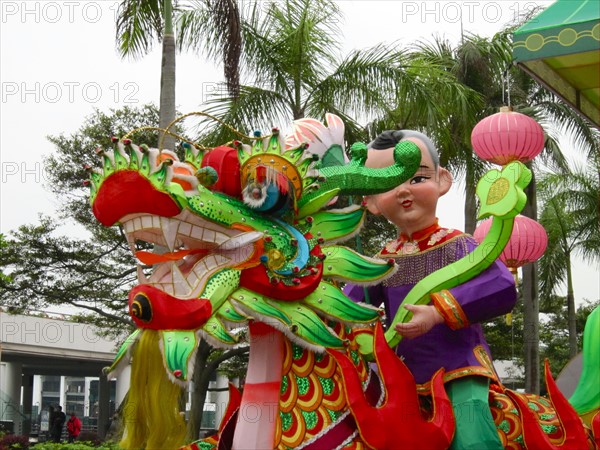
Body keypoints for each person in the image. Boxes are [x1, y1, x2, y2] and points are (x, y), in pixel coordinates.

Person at [345, 130, 517, 450]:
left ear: (442, 180)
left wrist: (438, 312)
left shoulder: (459, 245)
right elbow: (345, 307)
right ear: (370, 202)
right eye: (388, 182)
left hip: (458, 371)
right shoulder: (382, 262)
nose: (403, 189)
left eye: (416, 177)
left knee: (471, 437)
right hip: (398, 379)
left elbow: (502, 285)